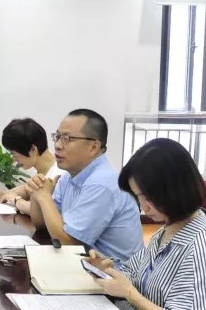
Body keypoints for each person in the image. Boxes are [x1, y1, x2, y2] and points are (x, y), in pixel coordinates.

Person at [88, 138, 206, 310]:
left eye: (148, 197)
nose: (144, 207)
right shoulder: (168, 230)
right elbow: (134, 272)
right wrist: (107, 268)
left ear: (175, 189)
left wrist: (131, 294)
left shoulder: (198, 249)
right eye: (139, 197)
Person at [26, 109, 142, 261]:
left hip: (113, 272)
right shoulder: (69, 176)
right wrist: (36, 193)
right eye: (57, 137)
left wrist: (44, 197)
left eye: (67, 138)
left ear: (93, 147)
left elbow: (69, 244)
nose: (58, 145)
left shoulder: (102, 184)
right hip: (85, 264)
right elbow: (42, 224)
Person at [0, 118, 66, 216]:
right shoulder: (42, 169)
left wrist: (16, 200)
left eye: (14, 154)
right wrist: (3, 194)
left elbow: (43, 211)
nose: (14, 160)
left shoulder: (59, 176)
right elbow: (27, 189)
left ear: (32, 149)